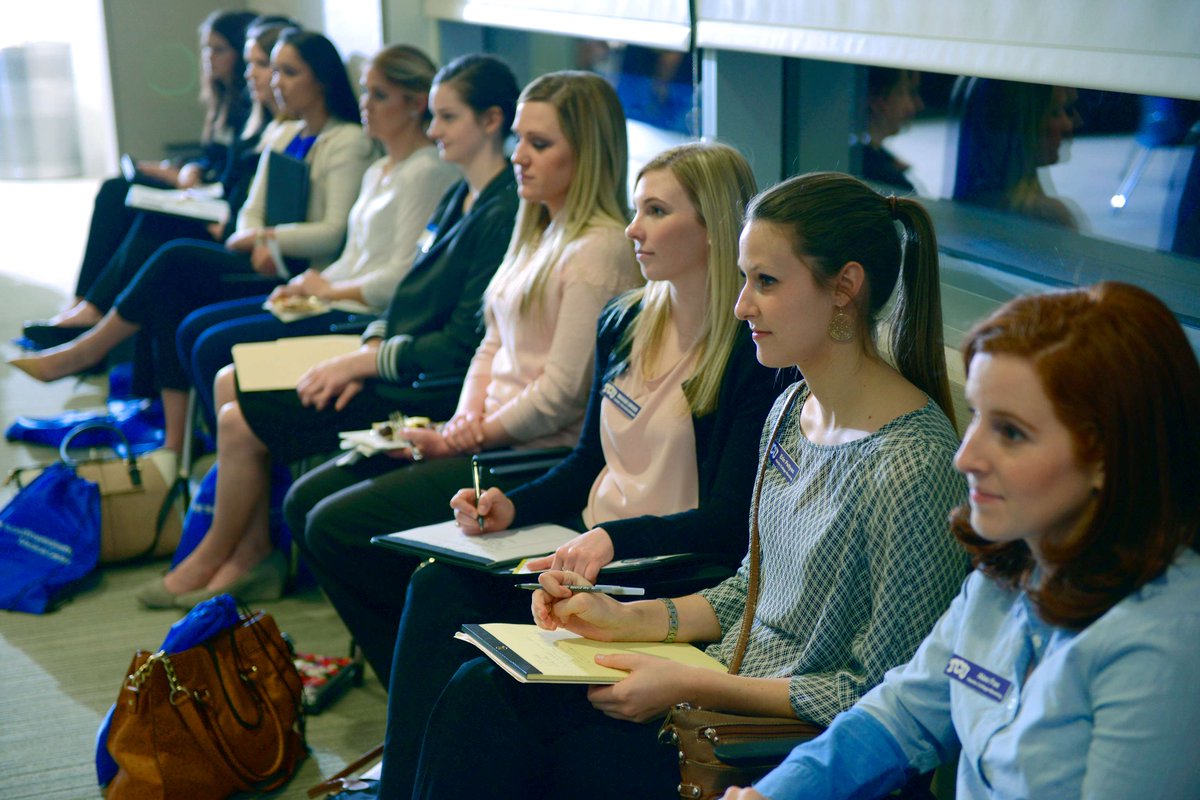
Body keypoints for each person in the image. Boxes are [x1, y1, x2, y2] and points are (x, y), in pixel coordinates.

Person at [400, 171, 969, 798]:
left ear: (845, 288)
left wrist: (685, 681)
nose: (741, 305)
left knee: (501, 724)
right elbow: (748, 592)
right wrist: (621, 619)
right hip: (719, 701)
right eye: (746, 278)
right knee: (481, 690)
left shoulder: (914, 464)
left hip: (777, 750)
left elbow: (877, 697)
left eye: (767, 282)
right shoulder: (792, 411)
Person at [137, 65, 641, 611]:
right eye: (520, 139)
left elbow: (561, 392)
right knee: (303, 499)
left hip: (526, 455)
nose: (519, 155)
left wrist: (464, 434)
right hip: (477, 431)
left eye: (539, 144)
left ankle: (403, 656)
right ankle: (256, 559)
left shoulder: (597, 250)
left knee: (329, 522)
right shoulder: (536, 227)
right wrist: (461, 420)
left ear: (588, 154)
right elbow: (489, 343)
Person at [286, 141, 776, 685]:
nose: (633, 229)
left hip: (659, 570)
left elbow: (731, 522)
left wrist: (615, 538)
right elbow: (585, 462)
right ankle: (415, 766)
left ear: (714, 227)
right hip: (589, 549)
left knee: (459, 640)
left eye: (656, 212)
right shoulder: (624, 322)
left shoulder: (750, 356)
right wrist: (510, 508)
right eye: (636, 210)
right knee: (435, 584)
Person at [722, 281, 1200, 800]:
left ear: (1110, 456)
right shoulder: (1006, 579)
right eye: (978, 419)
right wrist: (775, 794)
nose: (966, 458)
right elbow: (900, 718)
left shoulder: (1167, 642)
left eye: (1012, 433)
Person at [9, 29, 373, 452]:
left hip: (301, 274)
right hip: (260, 256)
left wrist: (265, 239)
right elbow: (252, 208)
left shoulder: (347, 141)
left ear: (322, 80)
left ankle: (88, 351)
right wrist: (254, 238)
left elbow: (332, 231)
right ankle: (172, 437)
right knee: (171, 275)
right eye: (275, 71)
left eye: (288, 72)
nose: (276, 83)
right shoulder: (284, 133)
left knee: (175, 258)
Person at [174, 43, 459, 429]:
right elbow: (354, 255)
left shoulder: (427, 171)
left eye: (380, 95)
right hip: (337, 301)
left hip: (365, 317)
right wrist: (310, 285)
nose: (366, 105)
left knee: (213, 346)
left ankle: (251, 453)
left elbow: (402, 278)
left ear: (414, 104)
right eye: (364, 91)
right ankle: (232, 453)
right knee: (196, 327)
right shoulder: (378, 169)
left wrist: (327, 290)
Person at [22, 9, 262, 347]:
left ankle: (95, 311)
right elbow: (215, 157)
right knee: (116, 189)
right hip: (205, 188)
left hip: (217, 206)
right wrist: (185, 168)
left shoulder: (254, 110)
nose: (209, 58)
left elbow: (237, 176)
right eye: (207, 49)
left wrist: (191, 177)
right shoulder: (223, 99)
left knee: (153, 219)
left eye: (219, 49)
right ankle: (83, 301)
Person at [951, 77, 1083, 228]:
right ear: (1019, 124)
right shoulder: (1045, 217)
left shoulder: (970, 206)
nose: (1069, 124)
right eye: (1056, 112)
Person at [857, 67, 924, 191]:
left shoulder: (860, 154)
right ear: (876, 101)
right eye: (902, 92)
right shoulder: (892, 185)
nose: (915, 106)